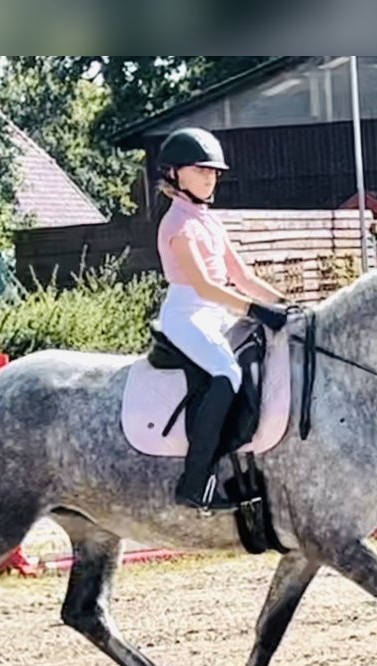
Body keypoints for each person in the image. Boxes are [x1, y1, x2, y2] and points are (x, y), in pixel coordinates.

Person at [154, 126, 291, 513]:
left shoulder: (209, 220)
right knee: (227, 374)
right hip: (187, 314)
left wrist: (286, 303)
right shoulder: (177, 225)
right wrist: (258, 310)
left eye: (214, 172)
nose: (210, 177)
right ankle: (194, 483)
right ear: (176, 173)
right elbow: (206, 286)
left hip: (215, 313)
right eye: (201, 170)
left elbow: (243, 277)